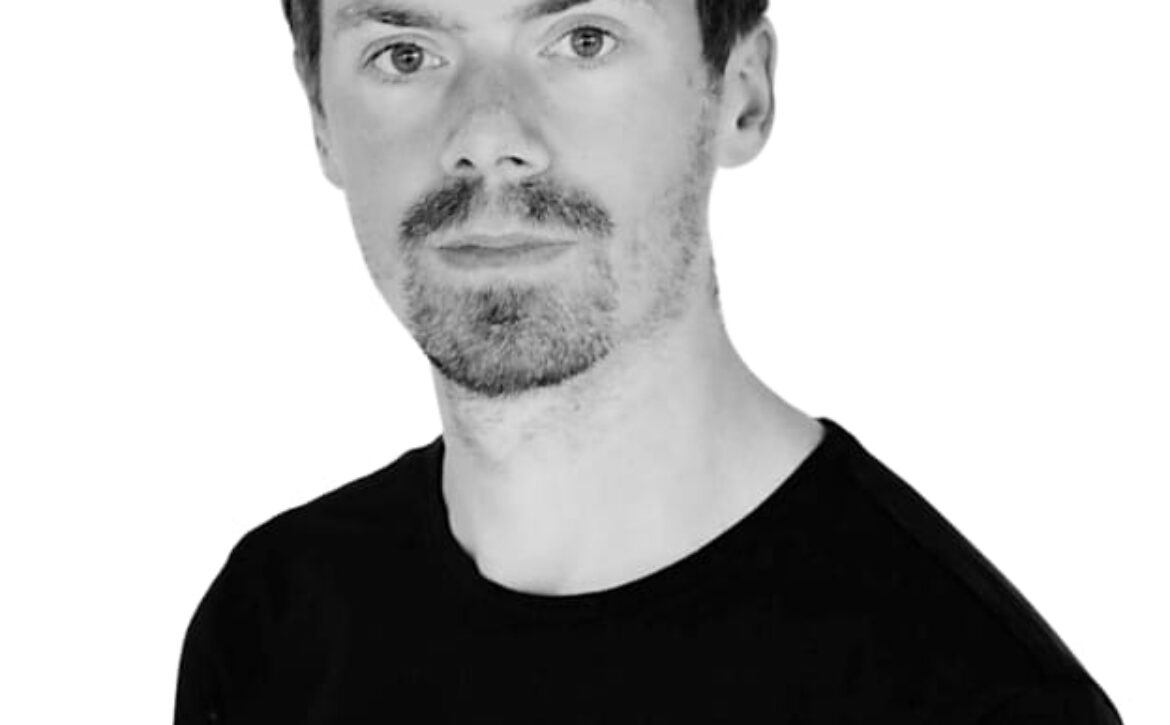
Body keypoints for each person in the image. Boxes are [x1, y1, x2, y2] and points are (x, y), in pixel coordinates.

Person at [174, 0, 1123, 721]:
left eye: (583, 39)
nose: (487, 139)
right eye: (405, 54)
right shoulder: (272, 625)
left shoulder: (977, 696)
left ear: (740, 95)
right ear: (320, 118)